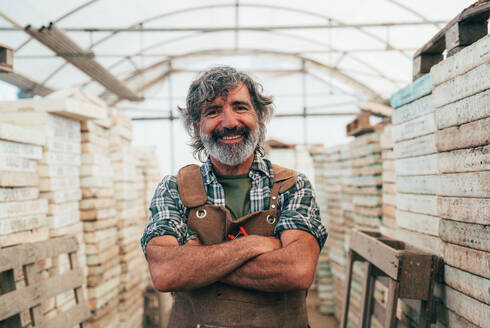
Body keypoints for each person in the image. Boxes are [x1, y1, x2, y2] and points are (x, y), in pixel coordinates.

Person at [141, 66, 327, 328]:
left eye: (240, 107)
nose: (229, 122)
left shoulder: (292, 186)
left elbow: (297, 270)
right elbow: (165, 272)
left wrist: (198, 260)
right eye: (213, 111)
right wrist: (255, 246)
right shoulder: (174, 189)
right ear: (197, 126)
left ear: (259, 116)